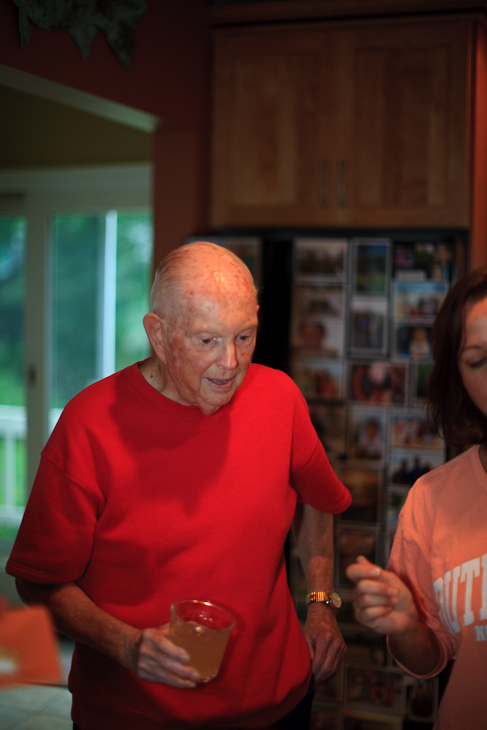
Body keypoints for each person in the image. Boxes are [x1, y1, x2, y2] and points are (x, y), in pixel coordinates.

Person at [6, 241, 351, 730]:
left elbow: (318, 498)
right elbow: (39, 580)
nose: (230, 362)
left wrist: (321, 604)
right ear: (159, 335)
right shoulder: (89, 426)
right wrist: (127, 644)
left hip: (278, 706)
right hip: (134, 714)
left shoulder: (281, 399)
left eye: (244, 336)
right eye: (206, 340)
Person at [346, 266, 487, 730]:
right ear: (459, 378)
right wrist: (407, 628)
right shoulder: (431, 499)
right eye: (479, 360)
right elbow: (434, 654)